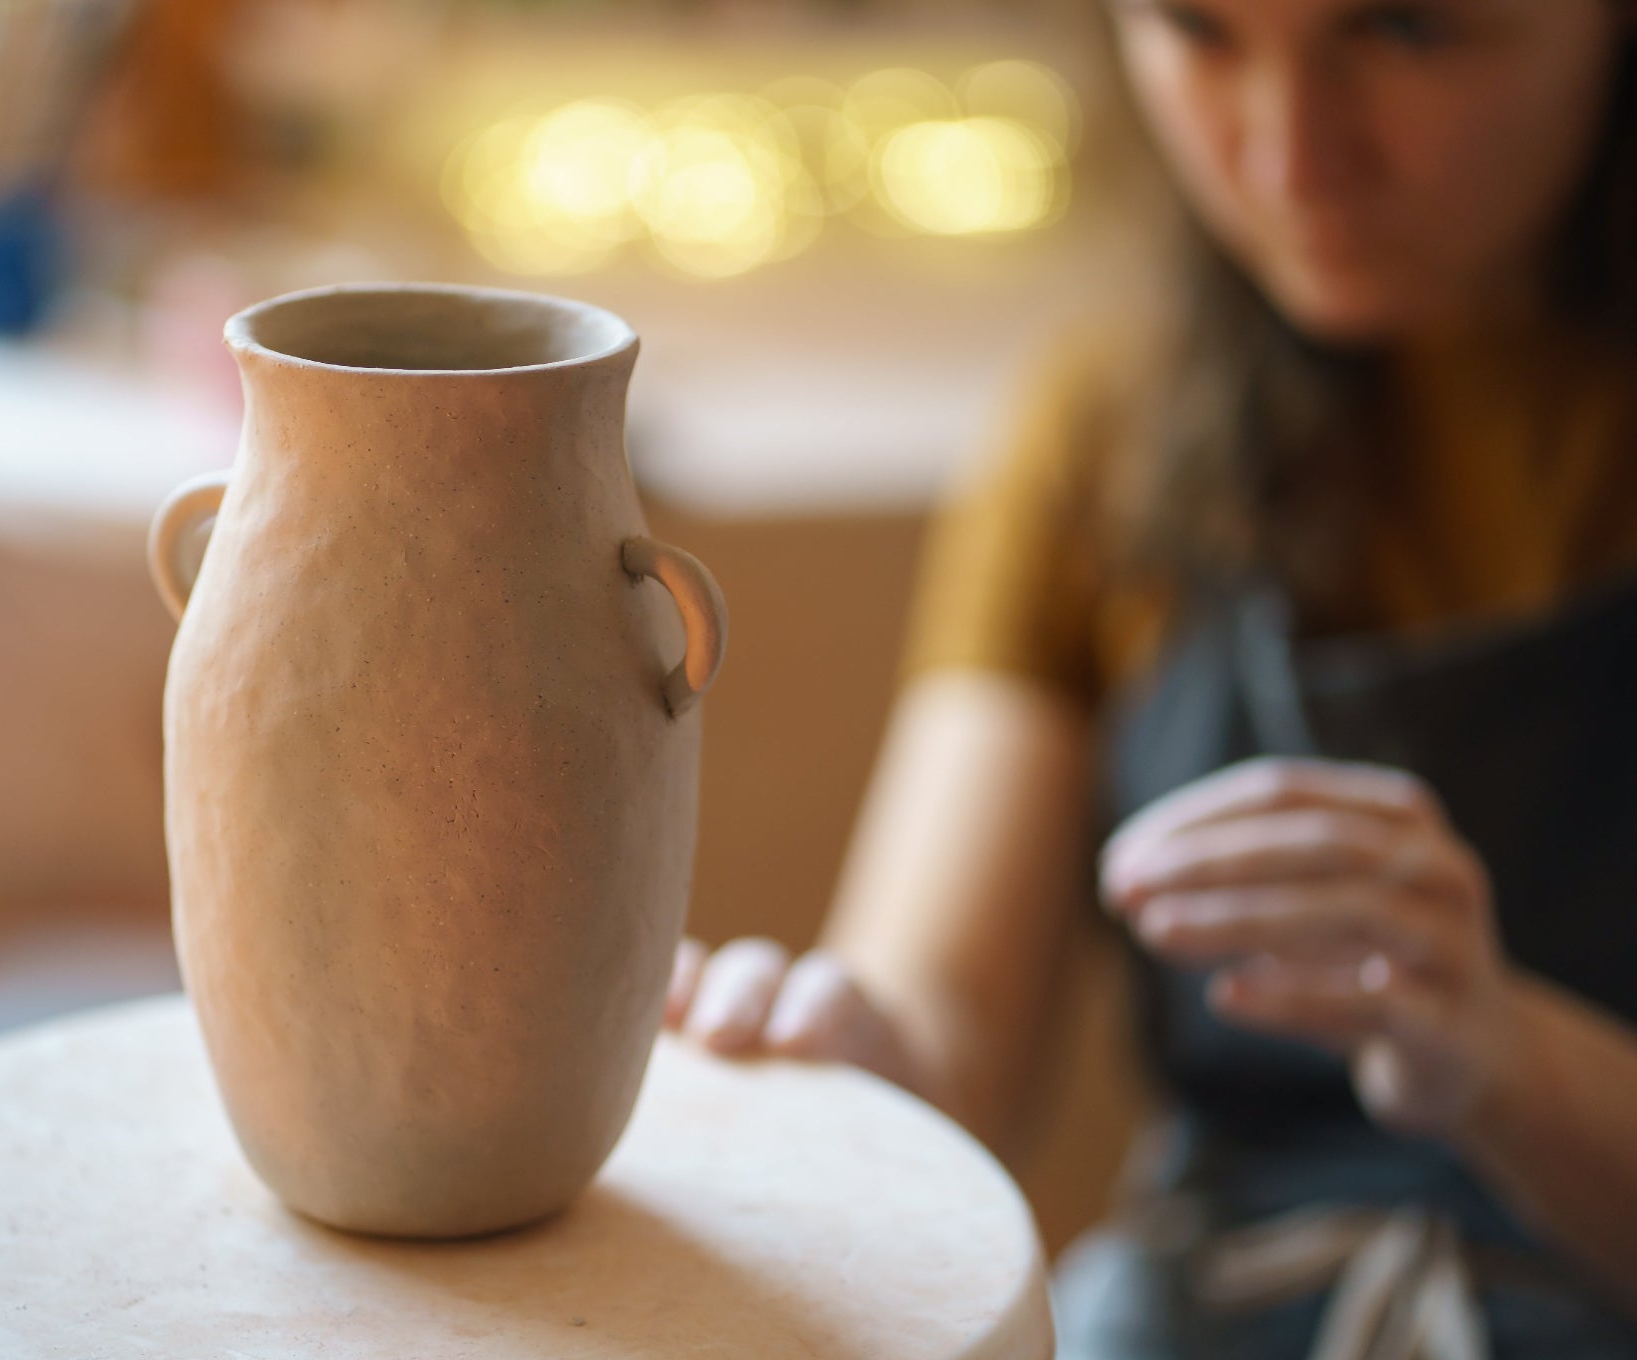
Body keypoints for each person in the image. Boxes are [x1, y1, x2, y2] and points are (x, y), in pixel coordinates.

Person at [664, 2, 1637, 1354]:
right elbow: (946, 1033)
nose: (1291, 154)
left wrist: (1502, 1056)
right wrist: (840, 1058)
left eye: (1407, 33)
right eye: (1200, 32)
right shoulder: (1105, 435)